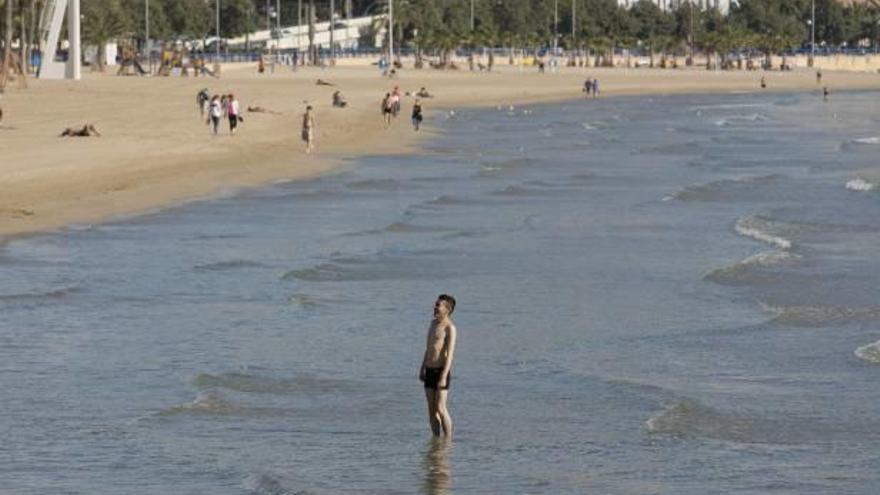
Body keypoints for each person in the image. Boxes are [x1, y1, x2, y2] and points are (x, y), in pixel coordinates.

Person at [419, 294, 457, 437]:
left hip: (442, 371)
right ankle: (436, 440)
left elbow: (450, 354)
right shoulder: (433, 324)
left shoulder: (450, 328)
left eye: (438, 305)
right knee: (431, 409)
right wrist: (422, 367)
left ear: (448, 309)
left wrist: (443, 376)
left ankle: (448, 440)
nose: (435, 307)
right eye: (435, 304)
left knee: (441, 408)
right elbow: (429, 348)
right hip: (429, 369)